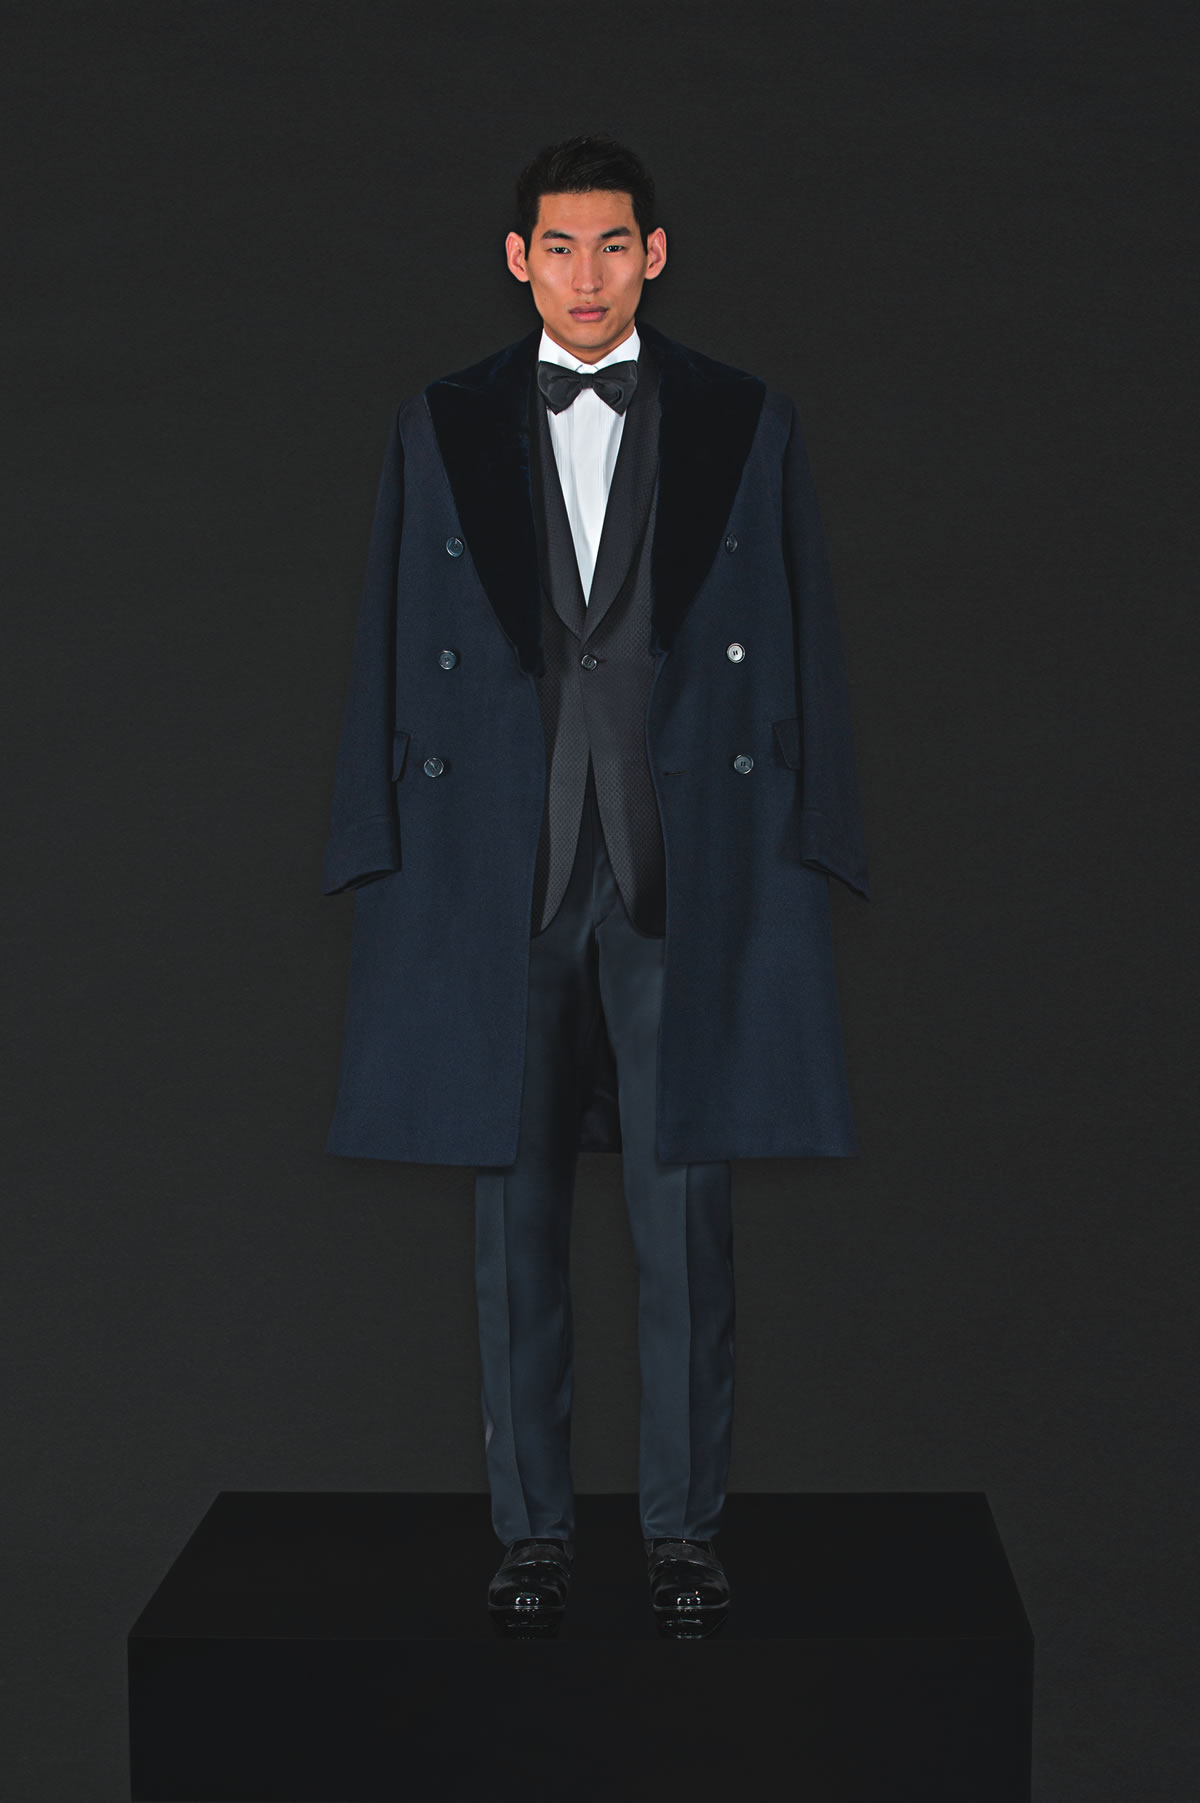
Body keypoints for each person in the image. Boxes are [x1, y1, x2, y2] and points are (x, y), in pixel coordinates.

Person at [321, 133, 870, 1639]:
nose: (585, 276)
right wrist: (371, 840)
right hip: (496, 867)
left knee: (684, 1217)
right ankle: (534, 1538)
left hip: (685, 868)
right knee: (513, 1229)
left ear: (655, 255)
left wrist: (820, 832)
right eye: (558, 248)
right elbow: (386, 633)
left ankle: (684, 1535)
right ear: (519, 262)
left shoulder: (749, 420)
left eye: (612, 246)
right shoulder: (438, 424)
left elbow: (809, 628)